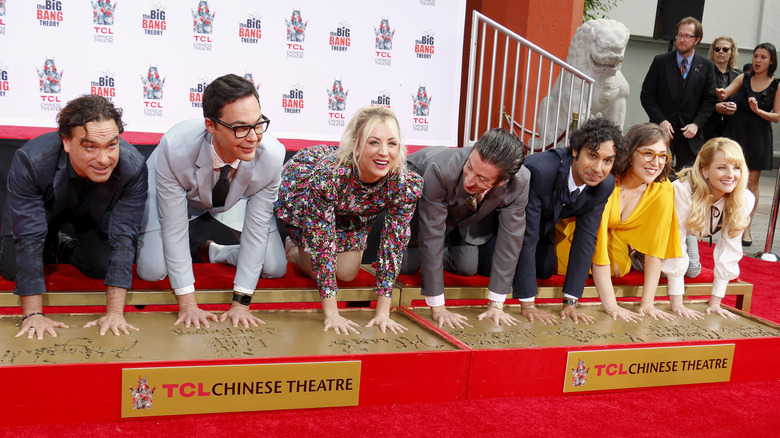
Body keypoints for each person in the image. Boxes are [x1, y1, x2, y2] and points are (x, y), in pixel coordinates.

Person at [136, 74, 287, 328]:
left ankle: (218, 252)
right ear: (211, 125)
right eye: (240, 127)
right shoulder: (175, 147)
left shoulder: (272, 155)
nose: (253, 137)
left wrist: (241, 303)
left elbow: (257, 226)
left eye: (258, 124)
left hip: (234, 195)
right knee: (152, 270)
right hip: (180, 194)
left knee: (275, 267)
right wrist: (188, 305)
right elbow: (174, 226)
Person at [0, 94, 148, 339]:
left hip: (91, 216)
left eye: (112, 145)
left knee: (101, 266)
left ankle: (64, 246)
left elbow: (125, 236)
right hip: (42, 216)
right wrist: (33, 314)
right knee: (13, 270)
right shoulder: (32, 160)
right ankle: (51, 242)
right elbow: (28, 235)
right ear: (67, 142)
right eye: (90, 146)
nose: (103, 159)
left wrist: (114, 313)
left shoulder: (132, 167)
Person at [275, 106, 423, 335]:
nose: (384, 152)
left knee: (346, 274)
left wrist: (383, 313)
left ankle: (302, 251)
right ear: (356, 145)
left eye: (392, 143)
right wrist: (332, 314)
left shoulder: (404, 185)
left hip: (353, 212)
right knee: (323, 261)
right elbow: (323, 244)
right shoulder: (328, 177)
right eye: (374, 142)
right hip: (307, 196)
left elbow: (392, 247)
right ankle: (294, 250)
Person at [401, 128, 529, 329]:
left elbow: (511, 239)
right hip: (418, 209)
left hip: (458, 218)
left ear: (502, 181)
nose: (469, 180)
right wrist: (438, 308)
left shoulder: (520, 182)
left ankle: (436, 253)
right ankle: (422, 255)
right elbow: (431, 234)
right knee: (408, 266)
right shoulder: (441, 169)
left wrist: (497, 304)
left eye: (482, 179)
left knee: (467, 266)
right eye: (469, 167)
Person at [556, 123, 681, 322]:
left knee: (618, 268)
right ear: (630, 153)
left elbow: (655, 249)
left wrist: (647, 304)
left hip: (614, 241)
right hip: (579, 235)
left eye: (662, 156)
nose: (656, 163)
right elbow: (596, 244)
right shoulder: (608, 180)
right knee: (574, 262)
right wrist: (612, 306)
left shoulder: (663, 189)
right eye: (648, 153)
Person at [513, 117, 628, 324]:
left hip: (541, 228)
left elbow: (585, 239)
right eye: (592, 155)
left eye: (607, 160)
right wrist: (528, 305)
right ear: (575, 150)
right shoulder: (540, 171)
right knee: (480, 264)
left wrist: (571, 301)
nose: (598, 168)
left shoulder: (605, 184)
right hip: (503, 225)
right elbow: (525, 237)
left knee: (545, 269)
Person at [661, 138, 753, 319]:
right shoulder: (682, 191)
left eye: (736, 168)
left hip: (688, 231)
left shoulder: (744, 198)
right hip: (660, 230)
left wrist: (715, 303)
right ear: (705, 171)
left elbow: (730, 247)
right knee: (663, 265)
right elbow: (675, 242)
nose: (730, 175)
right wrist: (678, 303)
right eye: (721, 167)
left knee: (692, 269)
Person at [718, 42, 780, 246]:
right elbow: (724, 93)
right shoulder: (743, 78)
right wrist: (719, 93)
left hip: (759, 135)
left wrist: (759, 111)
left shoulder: (776, 84)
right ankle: (726, 221)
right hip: (736, 132)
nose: (757, 60)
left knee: (751, 182)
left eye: (763, 57)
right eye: (755, 56)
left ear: (771, 61)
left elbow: (777, 116)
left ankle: (746, 227)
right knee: (729, 179)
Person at [640, 16, 717, 170]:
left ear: (697, 39)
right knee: (657, 176)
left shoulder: (706, 65)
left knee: (688, 180)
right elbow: (647, 95)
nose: (682, 40)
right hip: (662, 132)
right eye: (679, 35)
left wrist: (696, 124)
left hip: (690, 135)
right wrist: (661, 120)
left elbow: (710, 100)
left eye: (687, 36)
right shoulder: (661, 61)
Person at [702, 36, 742, 141]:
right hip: (705, 127)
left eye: (725, 49)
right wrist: (714, 107)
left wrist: (735, 107)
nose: (721, 52)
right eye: (717, 49)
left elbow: (743, 101)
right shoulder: (703, 73)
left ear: (732, 52)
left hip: (730, 130)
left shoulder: (739, 75)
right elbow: (694, 99)